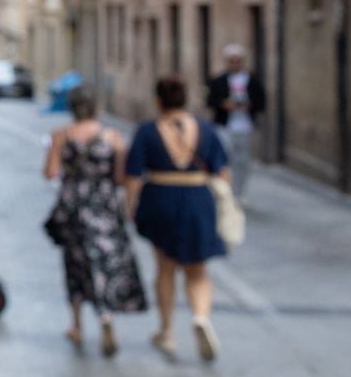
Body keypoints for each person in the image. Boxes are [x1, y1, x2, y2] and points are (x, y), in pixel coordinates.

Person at [126, 76, 231, 361]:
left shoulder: (147, 131)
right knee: (198, 270)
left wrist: (131, 205)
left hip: (160, 197)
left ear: (158, 100)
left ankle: (167, 331)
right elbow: (223, 172)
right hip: (197, 198)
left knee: (165, 267)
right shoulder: (206, 130)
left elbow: (133, 174)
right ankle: (200, 317)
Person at [42, 87, 147, 355]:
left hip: (74, 207)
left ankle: (77, 326)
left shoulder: (61, 136)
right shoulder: (113, 137)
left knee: (75, 265)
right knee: (106, 263)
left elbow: (51, 172)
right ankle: (106, 318)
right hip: (105, 207)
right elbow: (121, 178)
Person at [205, 45, 266, 202]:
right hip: (224, 125)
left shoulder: (252, 80)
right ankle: (224, 190)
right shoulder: (219, 80)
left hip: (245, 126)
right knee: (225, 158)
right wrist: (224, 104)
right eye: (231, 61)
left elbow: (261, 102)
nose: (234, 63)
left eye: (237, 60)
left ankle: (238, 192)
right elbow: (210, 101)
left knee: (242, 161)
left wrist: (249, 105)